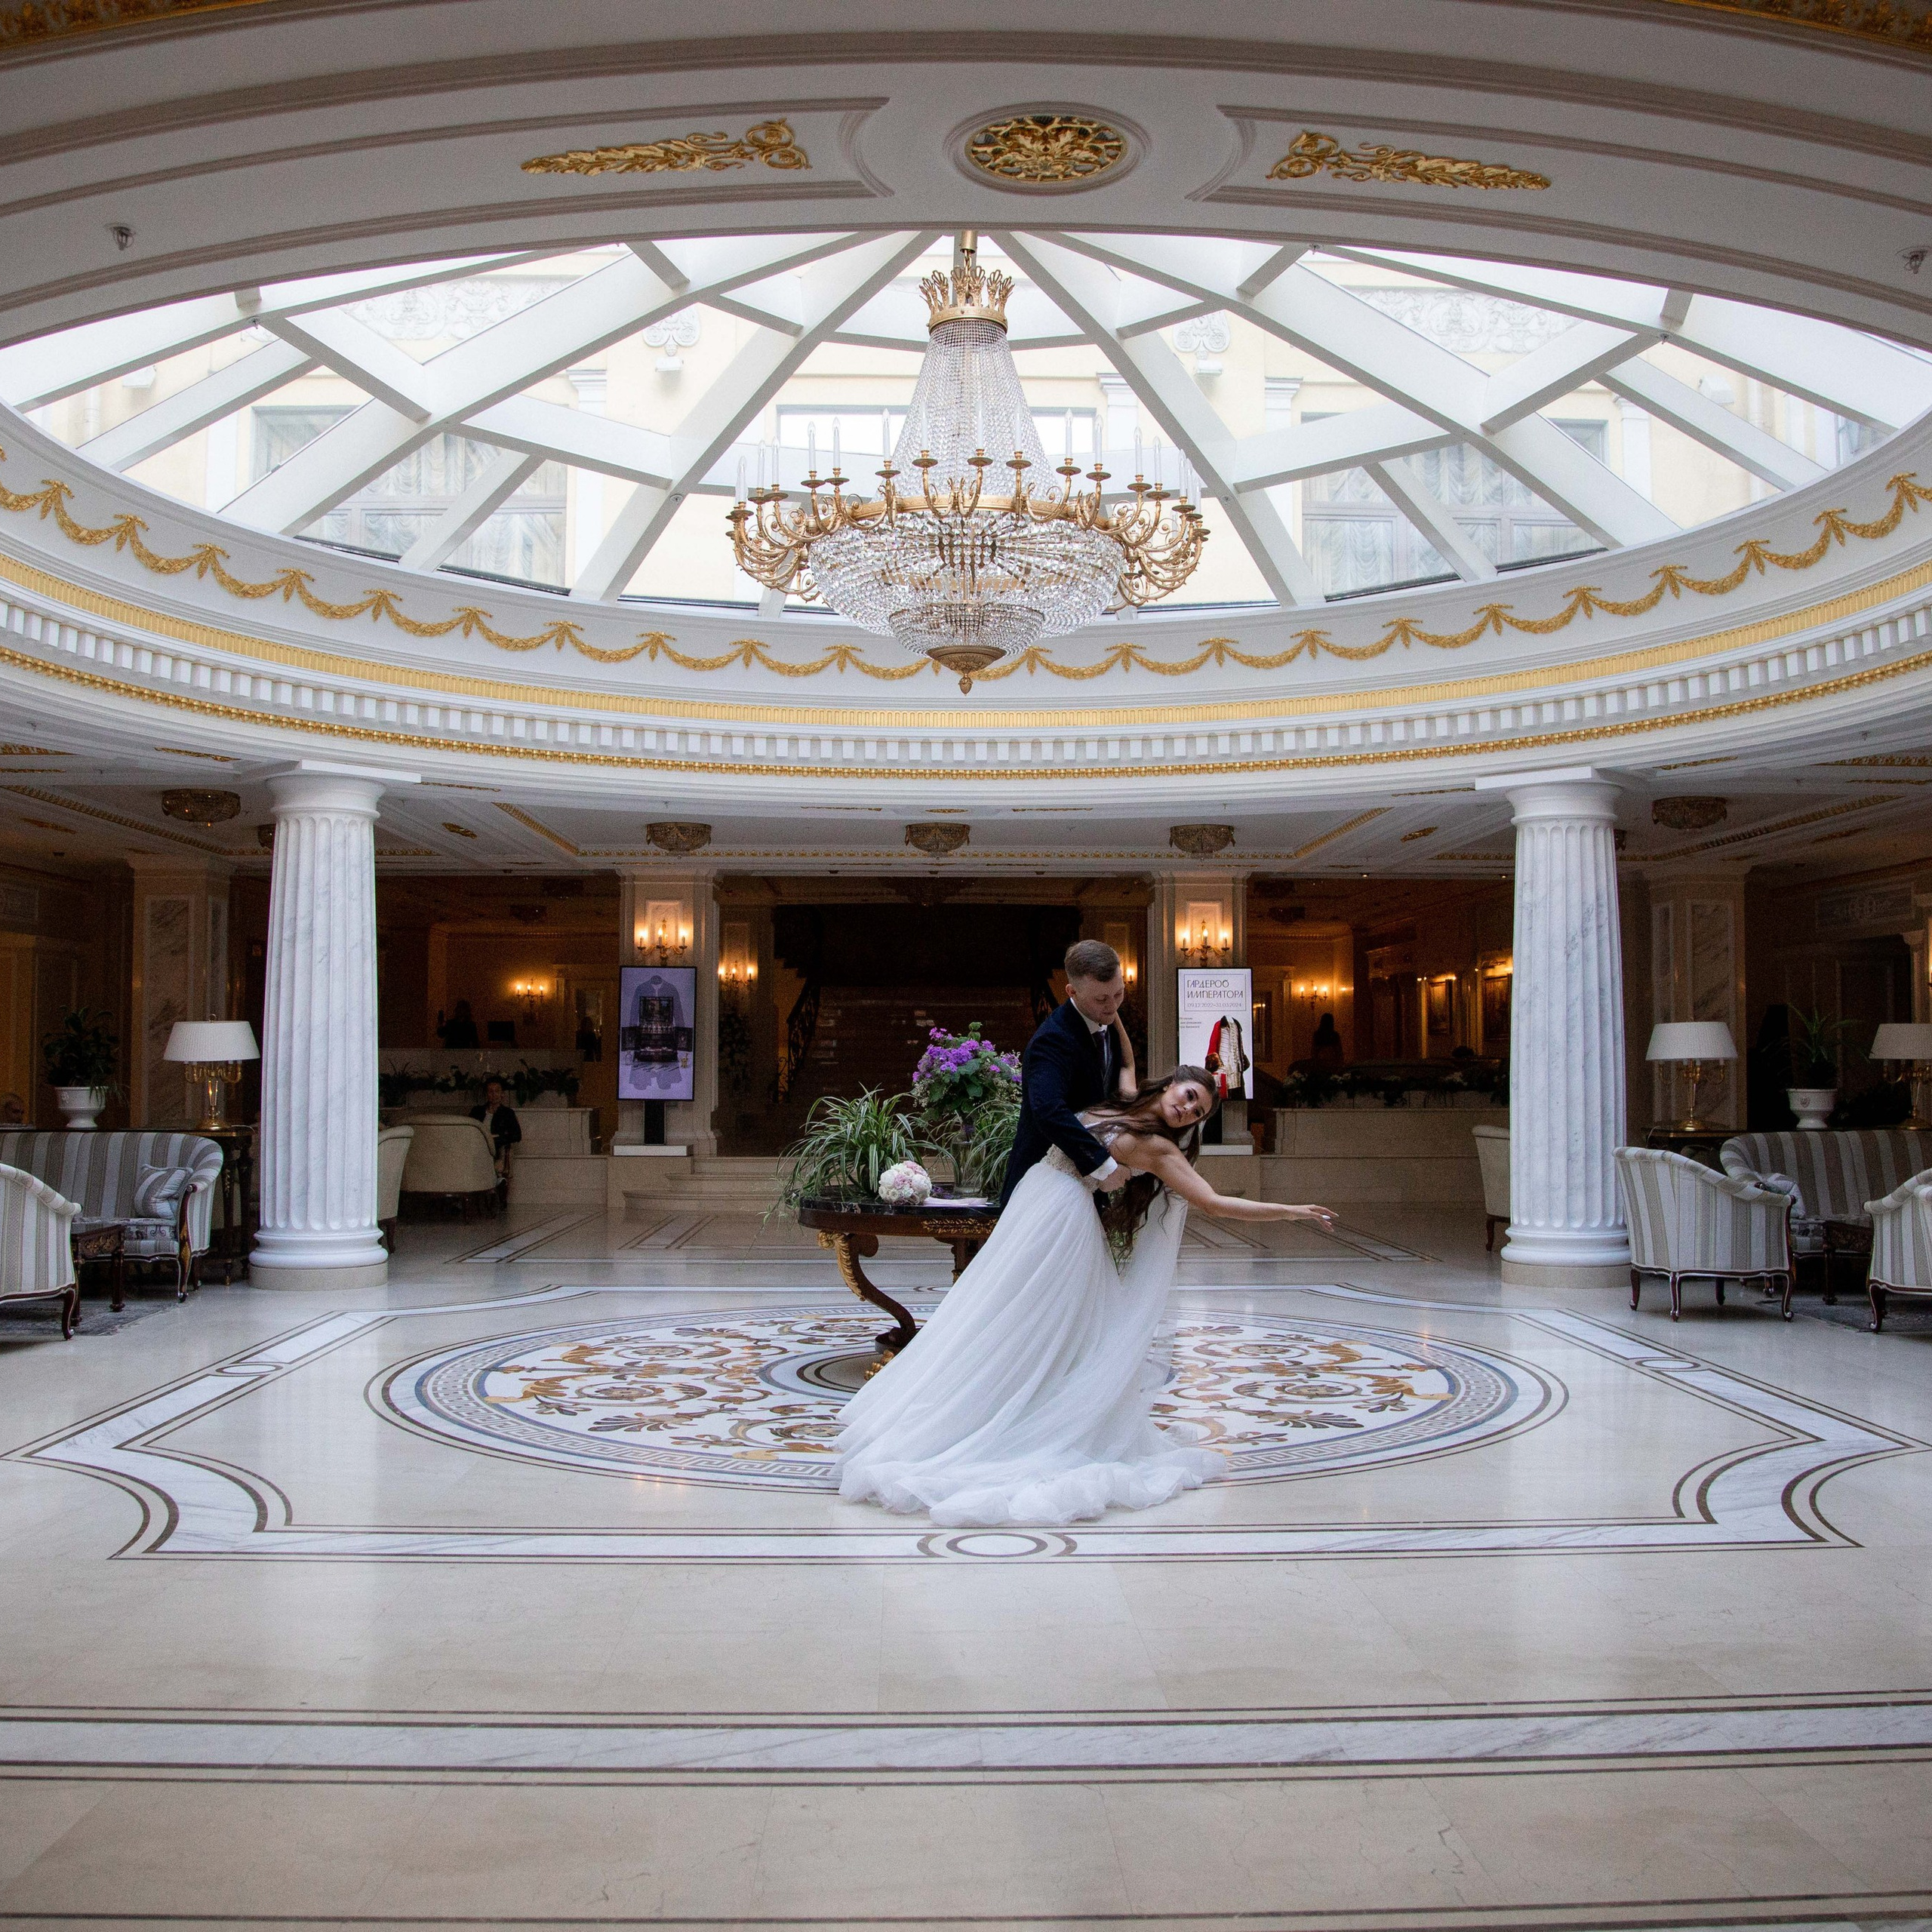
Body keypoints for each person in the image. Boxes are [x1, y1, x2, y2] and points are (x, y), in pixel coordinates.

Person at [835, 1067, 1337, 1527]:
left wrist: (1290, 1211)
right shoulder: (1121, 1101)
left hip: (1066, 1223)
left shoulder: (1160, 1148)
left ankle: (1009, 1418)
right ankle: (967, 1406)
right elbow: (1117, 1048)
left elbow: (1213, 1202)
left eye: (1199, 1111)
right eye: (1188, 1097)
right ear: (1168, 1086)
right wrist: (1112, 1012)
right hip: (1037, 1200)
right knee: (990, 1311)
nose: (1188, 1111)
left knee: (1027, 1324)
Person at [998, 938, 1137, 1209]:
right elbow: (1048, 1110)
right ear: (1071, 992)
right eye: (1101, 998)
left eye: (1118, 994)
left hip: (1083, 1191)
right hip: (1041, 1189)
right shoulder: (1052, 1040)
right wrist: (1103, 1165)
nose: (1112, 1006)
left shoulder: (1107, 1020)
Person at [469, 1076, 521, 1195]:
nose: (494, 1094)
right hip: (478, 1147)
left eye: (497, 1091)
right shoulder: (477, 1111)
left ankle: (499, 1183)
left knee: (506, 1152)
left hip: (497, 1146)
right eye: (490, 1091)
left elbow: (517, 1135)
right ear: (487, 1094)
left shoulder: (507, 1113)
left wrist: (497, 1137)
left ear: (502, 1094)